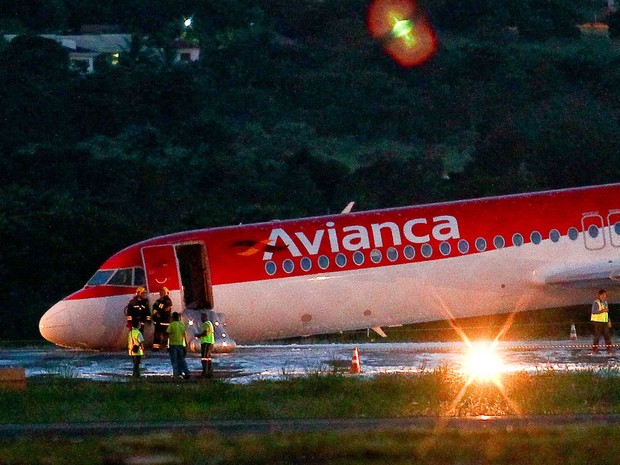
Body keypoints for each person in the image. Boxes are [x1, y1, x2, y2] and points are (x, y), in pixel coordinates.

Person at [167, 312, 190, 379]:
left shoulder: (171, 325)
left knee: (174, 360)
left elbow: (168, 336)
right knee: (182, 359)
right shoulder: (181, 325)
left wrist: (167, 346)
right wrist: (185, 345)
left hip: (173, 345)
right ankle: (186, 372)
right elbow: (184, 336)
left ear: (172, 317)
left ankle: (176, 374)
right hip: (180, 345)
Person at [591, 289, 612, 354]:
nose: (604, 296)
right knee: (597, 336)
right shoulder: (596, 302)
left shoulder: (605, 303)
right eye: (603, 295)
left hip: (604, 322)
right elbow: (594, 311)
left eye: (605, 295)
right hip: (598, 322)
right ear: (599, 295)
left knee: (607, 336)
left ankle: (609, 349)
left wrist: (609, 321)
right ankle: (594, 350)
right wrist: (602, 311)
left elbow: (606, 313)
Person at [195, 313, 215, 378]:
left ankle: (204, 373)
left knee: (204, 358)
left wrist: (198, 335)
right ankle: (210, 373)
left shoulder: (205, 324)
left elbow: (205, 333)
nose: (201, 319)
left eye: (202, 318)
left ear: (204, 318)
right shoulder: (210, 323)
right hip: (211, 342)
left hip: (206, 342)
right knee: (208, 358)